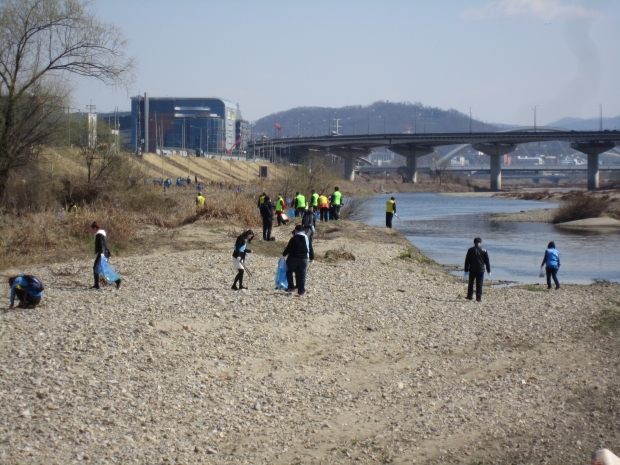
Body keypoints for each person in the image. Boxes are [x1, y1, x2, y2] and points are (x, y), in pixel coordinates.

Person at [282, 225, 313, 297]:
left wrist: (283, 255)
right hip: (304, 259)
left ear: (296, 230)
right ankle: (301, 292)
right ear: (303, 231)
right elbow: (310, 248)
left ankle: (291, 287)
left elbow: (288, 249)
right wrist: (312, 258)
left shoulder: (293, 238)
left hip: (293, 258)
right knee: (302, 275)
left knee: (289, 271)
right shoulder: (306, 238)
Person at [91, 221, 121, 290]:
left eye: (92, 229)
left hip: (103, 253)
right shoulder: (101, 234)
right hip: (105, 252)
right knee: (98, 268)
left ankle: (117, 281)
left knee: (101, 268)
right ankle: (96, 285)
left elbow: (102, 244)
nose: (92, 231)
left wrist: (102, 253)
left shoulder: (99, 235)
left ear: (95, 228)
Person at [464, 237, 491, 302]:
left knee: (471, 283)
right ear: (480, 243)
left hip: (472, 269)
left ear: (474, 243)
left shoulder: (470, 250)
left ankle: (470, 296)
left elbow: (467, 261)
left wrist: (466, 270)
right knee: (479, 283)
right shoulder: (484, 250)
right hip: (481, 270)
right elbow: (487, 261)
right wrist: (488, 270)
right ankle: (478, 298)